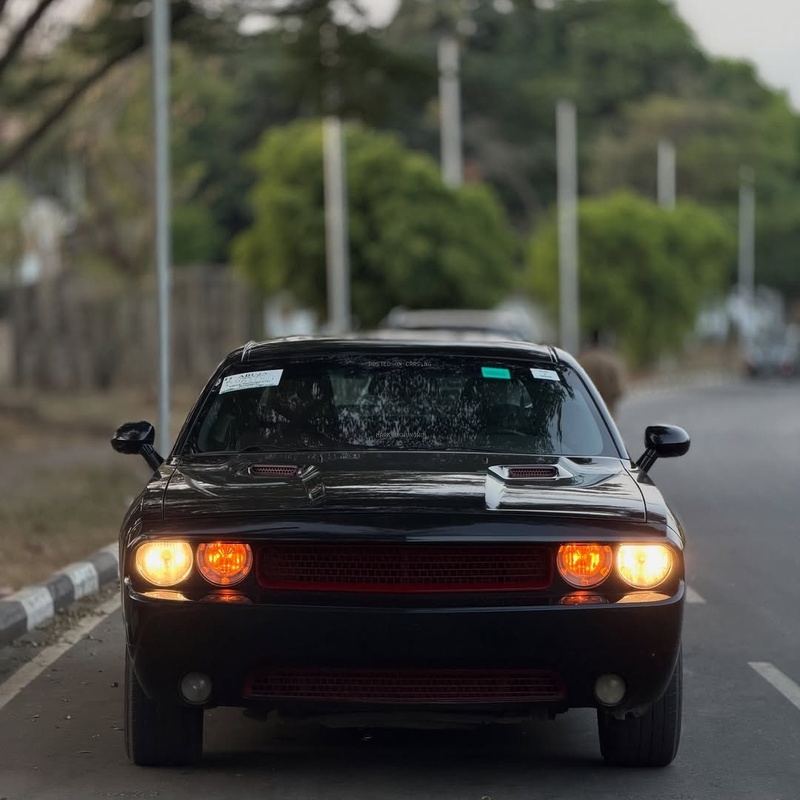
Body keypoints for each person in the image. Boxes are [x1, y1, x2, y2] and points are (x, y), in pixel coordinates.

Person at [577, 330, 627, 416]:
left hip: (585, 410)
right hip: (607, 410)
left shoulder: (581, 360)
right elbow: (619, 390)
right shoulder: (611, 360)